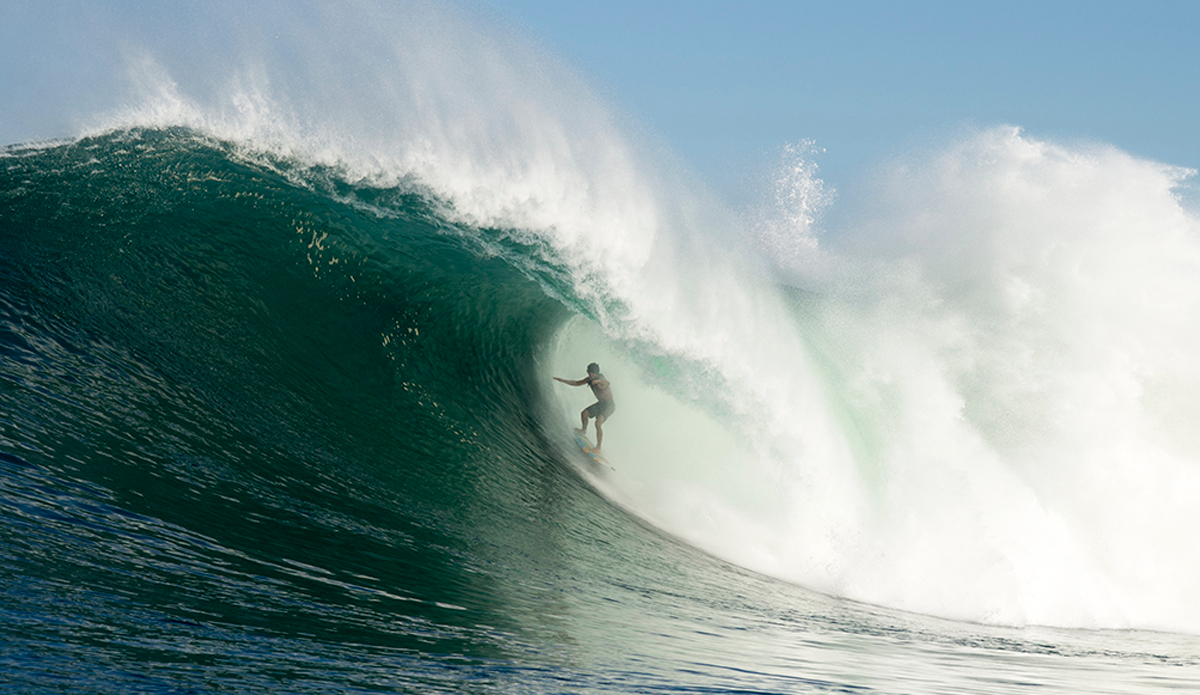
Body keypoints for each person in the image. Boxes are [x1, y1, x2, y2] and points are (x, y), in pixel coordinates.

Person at [554, 362, 615, 452]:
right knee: (584, 414)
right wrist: (561, 380)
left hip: (609, 405)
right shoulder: (589, 380)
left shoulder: (600, 378)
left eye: (591, 373)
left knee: (598, 423)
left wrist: (597, 381)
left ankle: (598, 448)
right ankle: (583, 430)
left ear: (596, 373)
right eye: (588, 372)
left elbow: (607, 382)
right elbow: (576, 383)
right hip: (600, 404)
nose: (589, 374)